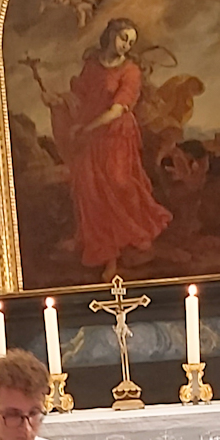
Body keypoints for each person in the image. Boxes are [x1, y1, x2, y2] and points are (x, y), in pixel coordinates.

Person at [44, 17, 172, 279]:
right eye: (123, 38)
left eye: (131, 42)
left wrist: (87, 128)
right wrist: (56, 101)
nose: (126, 45)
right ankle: (105, 252)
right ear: (111, 34)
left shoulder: (131, 71)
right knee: (88, 188)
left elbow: (117, 109)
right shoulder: (92, 65)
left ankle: (132, 234)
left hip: (116, 134)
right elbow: (80, 98)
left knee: (118, 182)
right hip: (90, 135)